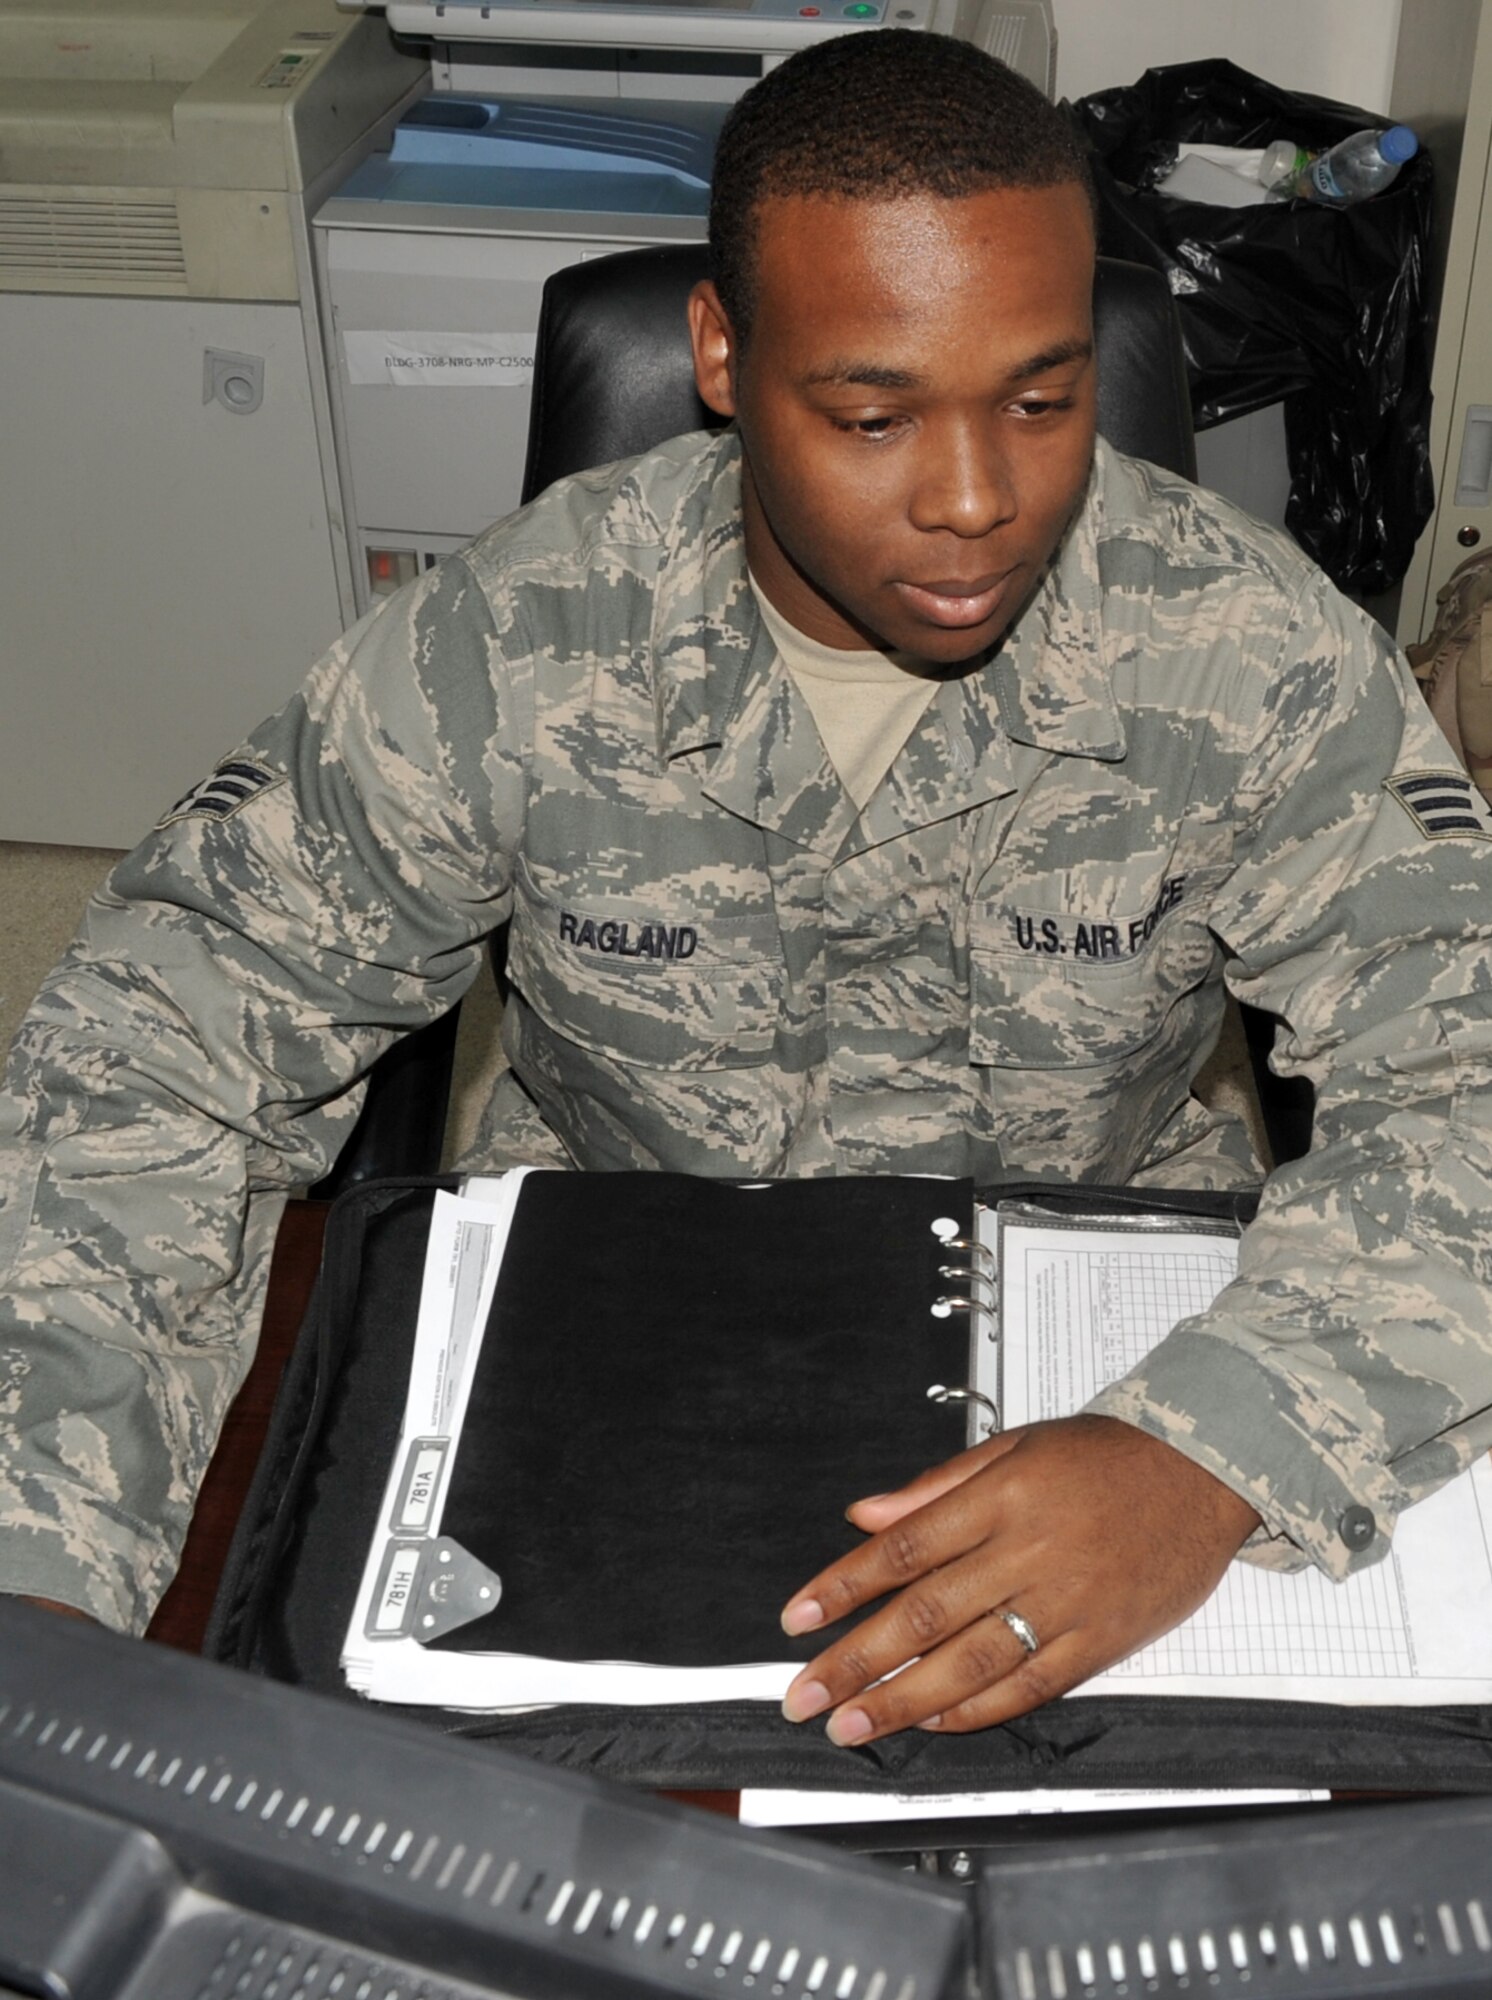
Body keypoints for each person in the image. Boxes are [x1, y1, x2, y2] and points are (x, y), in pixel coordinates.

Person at [2, 31, 1490, 1750]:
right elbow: (153, 1049)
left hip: (1098, 1308)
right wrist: (45, 1585)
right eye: (872, 413)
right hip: (615, 1310)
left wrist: (1213, 1449)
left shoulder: (1245, 645)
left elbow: (1458, 1059)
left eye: (1044, 396)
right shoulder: (514, 643)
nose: (974, 501)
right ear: (721, 354)